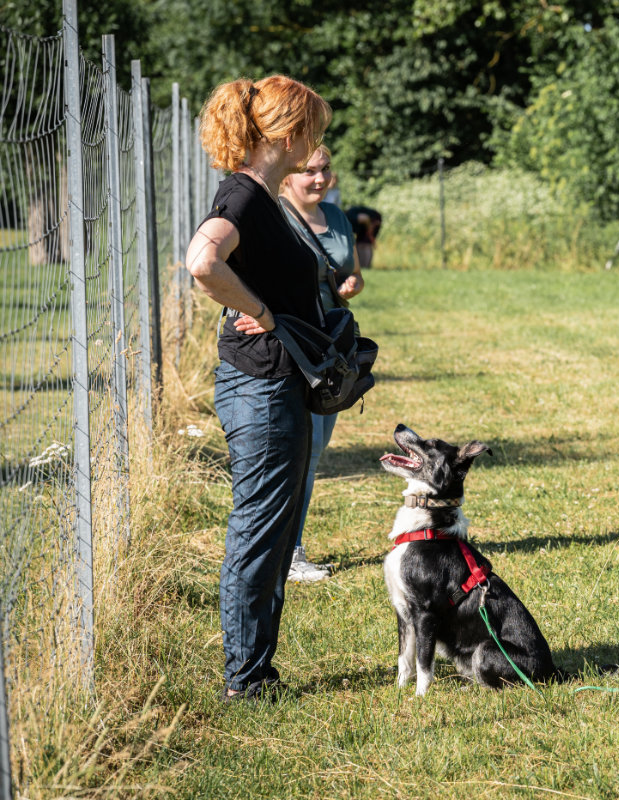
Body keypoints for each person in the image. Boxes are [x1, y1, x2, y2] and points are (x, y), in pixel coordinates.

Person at [185, 75, 331, 702]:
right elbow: (202, 261)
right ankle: (245, 679)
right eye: (315, 131)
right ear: (291, 132)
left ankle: (256, 672)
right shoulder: (243, 197)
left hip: (277, 385)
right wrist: (263, 313)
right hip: (262, 389)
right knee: (258, 530)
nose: (318, 144)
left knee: (271, 531)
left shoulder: (263, 195)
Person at [278, 145, 364, 582]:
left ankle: (287, 547)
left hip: (333, 348)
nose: (318, 178)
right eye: (308, 171)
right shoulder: (275, 218)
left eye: (325, 169)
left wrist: (351, 284)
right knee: (302, 453)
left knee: (315, 452)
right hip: (296, 347)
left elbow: (354, 273)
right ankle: (288, 553)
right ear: (287, 176)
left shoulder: (339, 218)